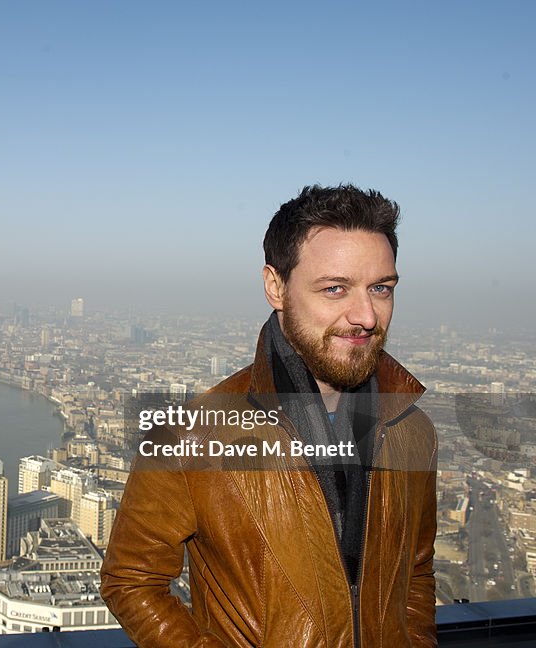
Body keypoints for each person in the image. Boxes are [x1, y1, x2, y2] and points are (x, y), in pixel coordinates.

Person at [101, 185, 437, 647]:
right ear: (275, 287)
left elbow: (415, 571)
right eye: (335, 288)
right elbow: (130, 578)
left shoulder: (412, 430)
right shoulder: (191, 434)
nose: (366, 315)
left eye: (381, 288)